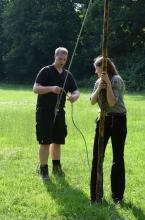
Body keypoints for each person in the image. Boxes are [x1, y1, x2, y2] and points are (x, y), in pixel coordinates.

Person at [33, 47, 80, 179]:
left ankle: (57, 167)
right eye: (60, 59)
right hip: (44, 111)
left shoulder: (67, 75)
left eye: (64, 59)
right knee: (45, 141)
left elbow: (76, 91)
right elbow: (35, 88)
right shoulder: (46, 71)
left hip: (60, 112)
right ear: (55, 57)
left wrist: (74, 97)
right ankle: (43, 169)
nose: (62, 62)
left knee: (58, 141)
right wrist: (51, 88)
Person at [90, 56, 127, 204]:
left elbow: (112, 102)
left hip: (118, 120)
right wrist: (100, 86)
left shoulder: (117, 80)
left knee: (117, 158)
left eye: (97, 68)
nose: (95, 71)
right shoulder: (98, 81)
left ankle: (117, 196)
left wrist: (109, 86)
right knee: (97, 158)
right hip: (103, 120)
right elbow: (92, 101)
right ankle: (95, 195)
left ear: (104, 68)